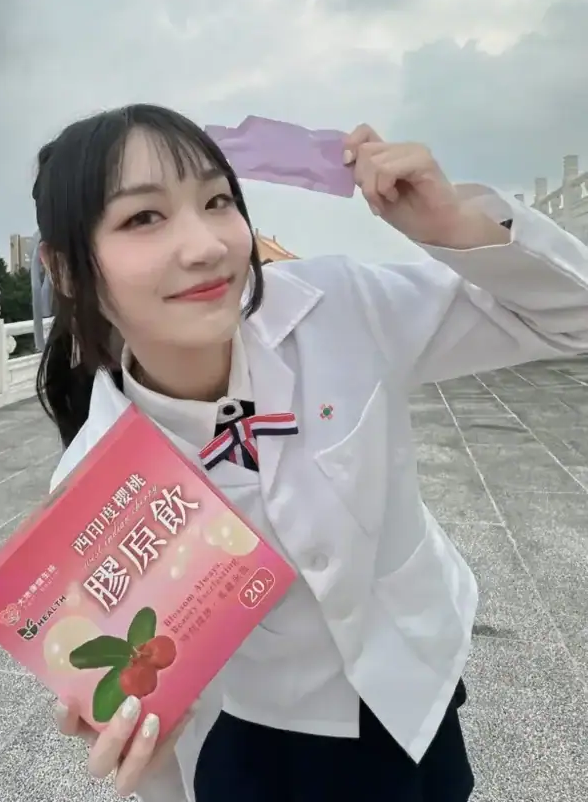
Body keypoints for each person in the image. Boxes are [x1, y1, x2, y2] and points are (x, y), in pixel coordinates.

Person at [32, 104, 588, 802]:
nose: (205, 245)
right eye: (144, 217)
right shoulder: (96, 488)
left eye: (217, 201)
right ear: (66, 268)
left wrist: (451, 225)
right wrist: (143, 734)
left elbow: (573, 320)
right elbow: (152, 709)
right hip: (267, 741)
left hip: (417, 683)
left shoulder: (336, 307)